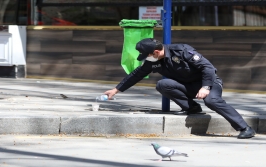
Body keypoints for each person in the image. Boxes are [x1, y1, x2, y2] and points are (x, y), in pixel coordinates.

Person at [104, 38, 256, 139]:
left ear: (156, 52)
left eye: (147, 55)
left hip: (209, 82)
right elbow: (136, 75)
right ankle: (192, 108)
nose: (146, 59)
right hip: (188, 86)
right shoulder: (153, 61)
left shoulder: (182, 50)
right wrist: (116, 90)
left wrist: (205, 87)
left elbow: (208, 68)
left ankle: (245, 128)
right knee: (163, 85)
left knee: (212, 101)